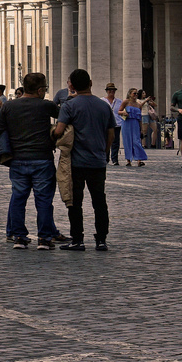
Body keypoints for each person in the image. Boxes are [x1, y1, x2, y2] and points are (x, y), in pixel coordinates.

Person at [0, 72, 63, 249]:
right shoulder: (45, 106)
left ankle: (18, 237)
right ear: (40, 89)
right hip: (42, 158)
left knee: (18, 198)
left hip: (17, 159)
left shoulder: (9, 106)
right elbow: (64, 115)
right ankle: (44, 238)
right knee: (43, 201)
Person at [51, 69, 116, 251]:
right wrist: (105, 151)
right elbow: (110, 133)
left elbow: (58, 130)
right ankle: (101, 239)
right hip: (97, 161)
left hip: (76, 162)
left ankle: (77, 239)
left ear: (71, 85)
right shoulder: (103, 106)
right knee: (99, 202)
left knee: (75, 202)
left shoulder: (70, 106)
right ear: (91, 83)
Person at [100, 83, 124, 167]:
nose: (111, 92)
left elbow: (122, 112)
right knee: (105, 141)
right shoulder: (102, 101)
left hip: (116, 124)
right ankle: (105, 158)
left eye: (113, 90)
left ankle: (115, 159)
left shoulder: (119, 101)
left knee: (115, 142)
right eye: (110, 90)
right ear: (107, 91)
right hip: (105, 124)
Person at [122, 89, 146, 166]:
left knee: (136, 141)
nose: (136, 95)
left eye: (137, 93)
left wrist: (141, 129)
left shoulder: (139, 105)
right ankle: (128, 160)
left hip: (135, 123)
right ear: (130, 94)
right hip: (127, 123)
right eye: (134, 93)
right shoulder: (126, 102)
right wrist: (123, 112)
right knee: (127, 141)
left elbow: (140, 118)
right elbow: (119, 111)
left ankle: (139, 160)